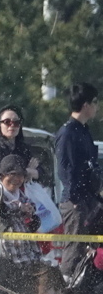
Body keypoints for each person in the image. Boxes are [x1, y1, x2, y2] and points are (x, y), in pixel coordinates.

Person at [0, 155, 75, 294]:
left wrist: (31, 214)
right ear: (3, 175)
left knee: (54, 272)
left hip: (27, 248)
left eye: (21, 175)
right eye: (14, 175)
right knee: (44, 273)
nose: (18, 179)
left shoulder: (21, 192)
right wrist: (18, 209)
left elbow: (35, 223)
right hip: (7, 252)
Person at [56, 82, 103, 278]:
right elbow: (66, 169)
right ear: (86, 105)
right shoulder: (68, 132)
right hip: (75, 202)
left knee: (91, 247)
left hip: (90, 199)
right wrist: (75, 200)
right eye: (95, 102)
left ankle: (86, 290)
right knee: (74, 248)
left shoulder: (84, 130)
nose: (97, 106)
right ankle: (65, 293)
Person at [0, 105, 39, 180]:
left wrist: (27, 173)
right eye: (7, 122)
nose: (12, 125)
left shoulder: (24, 148)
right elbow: (0, 176)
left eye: (16, 122)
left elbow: (43, 173)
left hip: (26, 191)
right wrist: (28, 171)